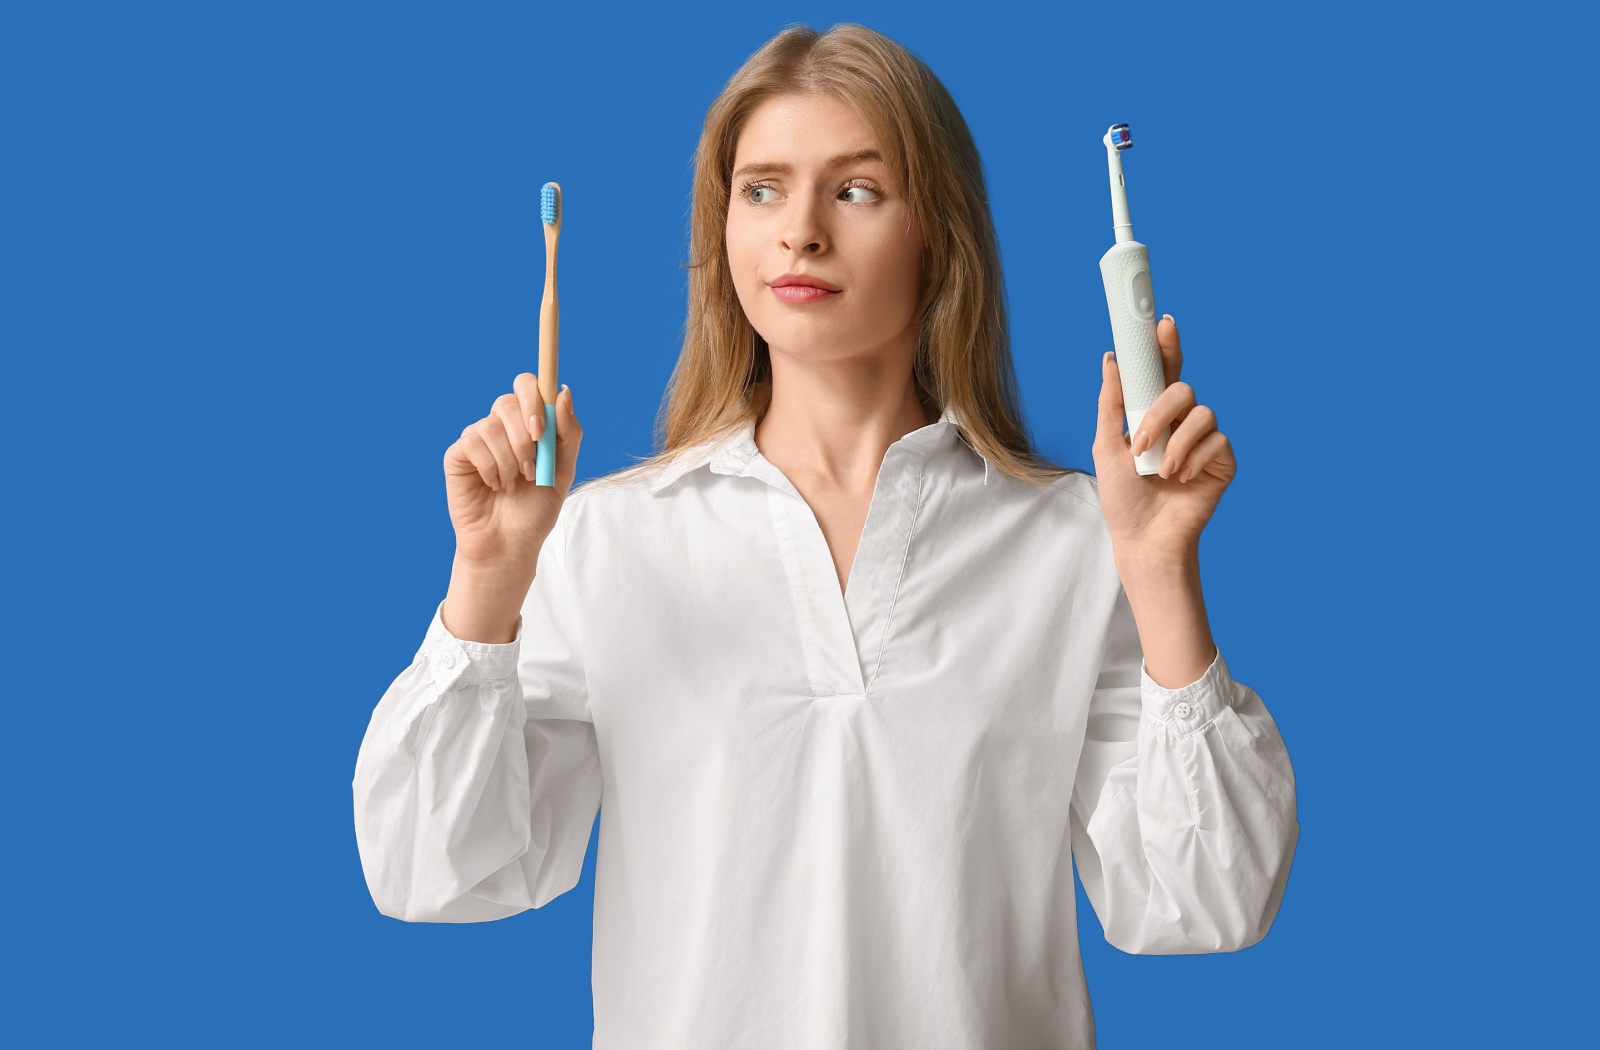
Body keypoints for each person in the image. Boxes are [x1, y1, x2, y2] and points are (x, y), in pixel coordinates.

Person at [352, 22, 1298, 1049]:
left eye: (854, 191)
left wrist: (1159, 570)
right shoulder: (605, 541)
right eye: (760, 190)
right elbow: (431, 871)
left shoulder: (1073, 541)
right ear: (723, 230)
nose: (798, 231)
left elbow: (1208, 902)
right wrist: (487, 584)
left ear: (938, 231)